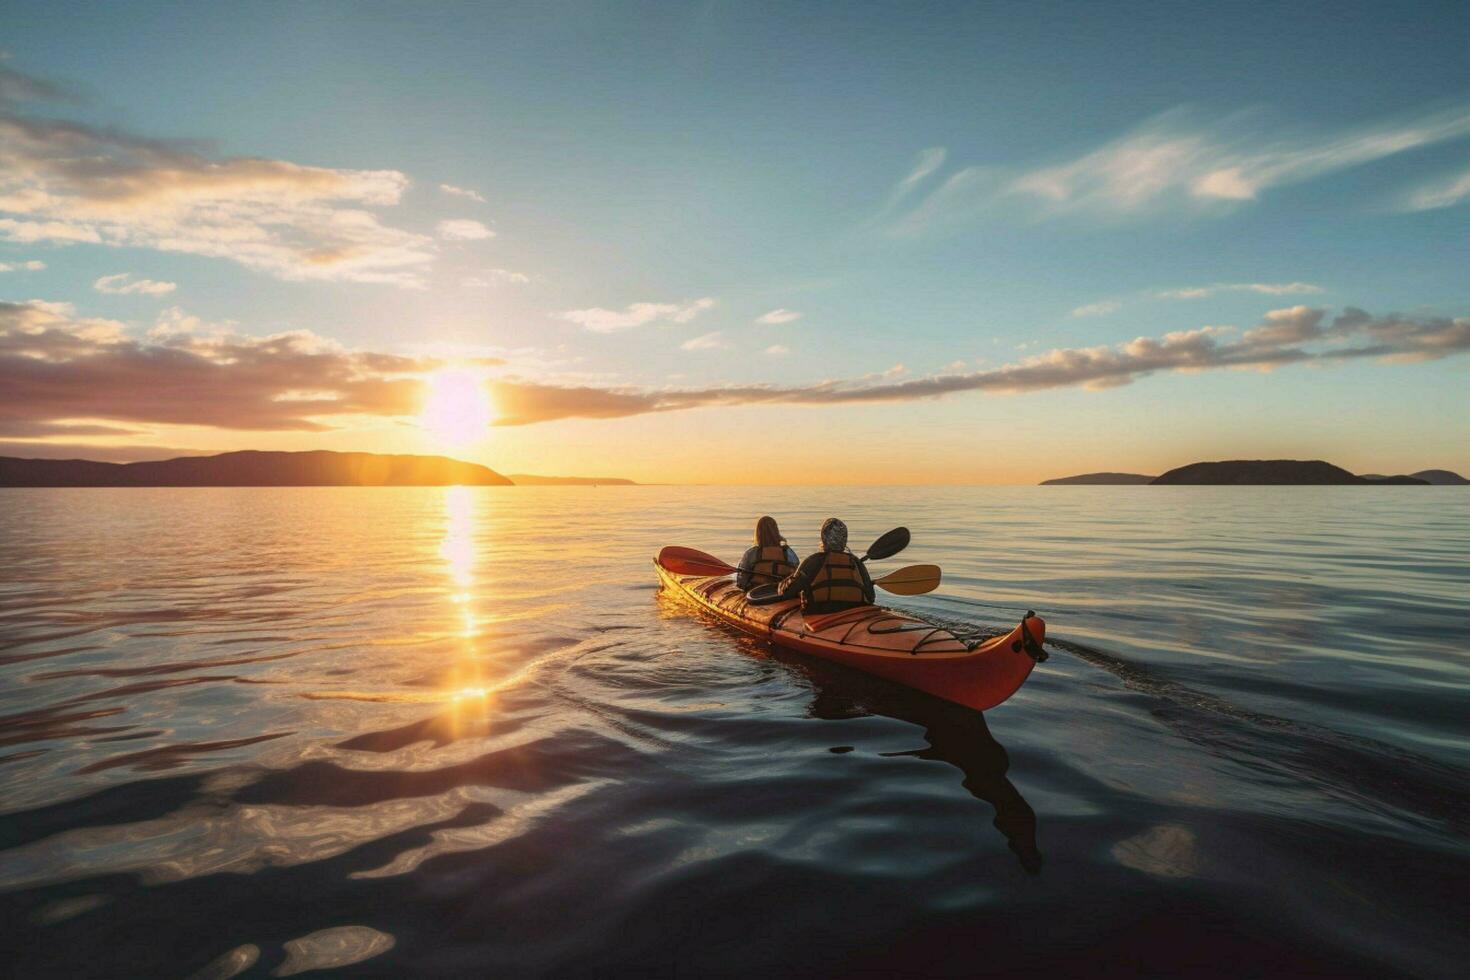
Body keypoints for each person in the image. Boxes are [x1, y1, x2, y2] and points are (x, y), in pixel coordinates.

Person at [776, 517, 876, 613]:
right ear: (845, 540)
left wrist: (784, 584)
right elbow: (871, 597)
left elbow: (788, 592)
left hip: (819, 615)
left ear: (823, 538)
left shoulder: (813, 562)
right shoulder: (857, 563)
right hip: (854, 614)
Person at [735, 515, 800, 591]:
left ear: (758, 533)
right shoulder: (788, 552)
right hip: (782, 592)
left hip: (756, 593)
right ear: (776, 531)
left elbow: (741, 581)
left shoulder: (752, 553)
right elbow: (797, 573)